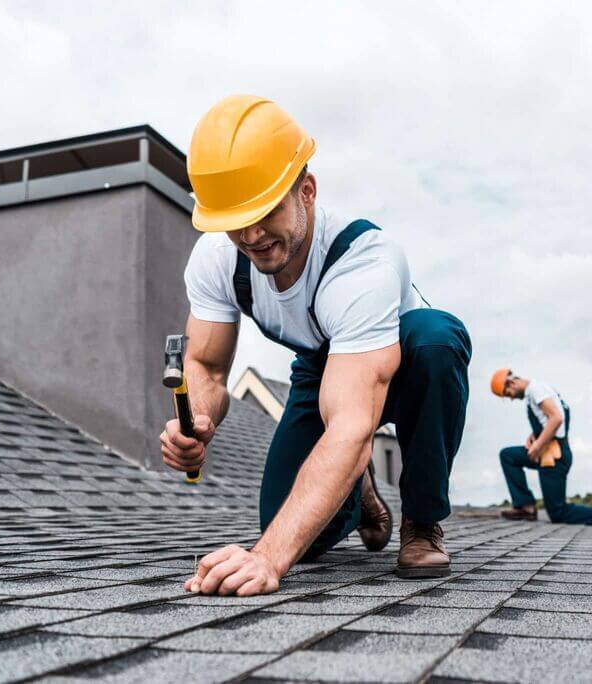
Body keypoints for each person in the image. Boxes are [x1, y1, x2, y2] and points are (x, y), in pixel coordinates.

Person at [160, 95, 471, 596]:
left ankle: (422, 520)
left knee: (438, 340)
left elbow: (351, 423)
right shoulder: (218, 259)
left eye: (265, 211)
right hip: (322, 364)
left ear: (306, 191)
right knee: (289, 520)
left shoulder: (363, 263)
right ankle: (361, 489)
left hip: (401, 350)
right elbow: (205, 366)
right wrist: (198, 423)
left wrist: (267, 559)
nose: (252, 234)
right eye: (237, 219)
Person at [491, 368, 592, 527]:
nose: (511, 398)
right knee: (508, 456)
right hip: (547, 452)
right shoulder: (536, 391)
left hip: (554, 457)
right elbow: (547, 419)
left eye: (508, 393)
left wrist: (537, 446)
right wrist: (534, 436)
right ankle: (525, 506)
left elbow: (557, 418)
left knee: (559, 513)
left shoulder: (536, 390)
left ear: (512, 382)